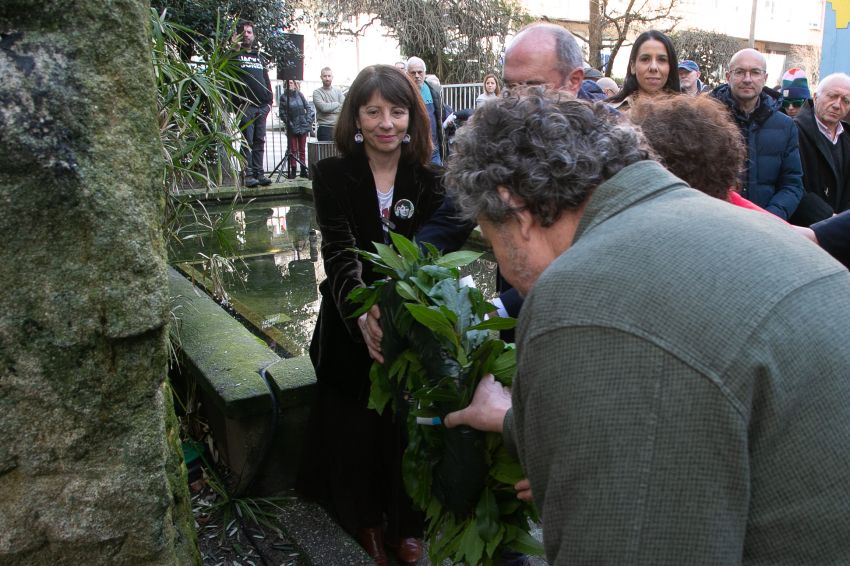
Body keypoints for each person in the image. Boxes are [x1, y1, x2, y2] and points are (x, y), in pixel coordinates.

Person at [442, 90, 850, 564]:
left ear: (515, 211)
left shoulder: (583, 294)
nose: (507, 272)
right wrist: (520, 422)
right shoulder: (751, 228)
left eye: (490, 241)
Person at [296, 64, 442, 566]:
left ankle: (408, 526)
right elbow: (339, 251)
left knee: (406, 426)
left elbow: (433, 258)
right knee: (355, 428)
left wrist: (394, 309)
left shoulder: (431, 182)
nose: (386, 122)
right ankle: (367, 523)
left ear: (412, 118)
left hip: (408, 322)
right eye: (373, 111)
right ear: (355, 117)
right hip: (348, 319)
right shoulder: (332, 175)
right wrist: (360, 314)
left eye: (397, 111)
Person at [710, 48, 804, 221]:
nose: (747, 79)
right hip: (718, 223)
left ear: (765, 78)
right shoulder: (706, 119)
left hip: (768, 226)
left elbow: (792, 184)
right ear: (728, 76)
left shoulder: (785, 126)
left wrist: (770, 218)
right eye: (740, 72)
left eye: (755, 72)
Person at [791, 72, 850, 225]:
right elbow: (791, 185)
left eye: (846, 100)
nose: (837, 105)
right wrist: (831, 219)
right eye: (832, 96)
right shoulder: (793, 131)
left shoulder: (847, 138)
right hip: (804, 230)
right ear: (816, 97)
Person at [232, 20, 273, 187]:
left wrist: (269, 103)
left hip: (262, 106)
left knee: (259, 141)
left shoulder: (259, 57)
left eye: (249, 32)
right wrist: (233, 50)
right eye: (244, 32)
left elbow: (266, 80)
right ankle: (247, 175)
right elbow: (226, 73)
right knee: (246, 142)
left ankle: (259, 173)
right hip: (245, 106)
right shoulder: (234, 55)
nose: (247, 35)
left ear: (253, 35)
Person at [606, 30, 680, 110]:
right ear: (633, 66)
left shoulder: (686, 116)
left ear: (671, 67)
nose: (653, 67)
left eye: (661, 60)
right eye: (645, 59)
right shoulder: (609, 113)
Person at [406, 56, 452, 165]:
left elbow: (439, 117)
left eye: (420, 72)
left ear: (425, 73)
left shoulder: (432, 91)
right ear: (407, 74)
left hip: (434, 150)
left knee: (436, 180)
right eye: (413, 73)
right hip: (414, 151)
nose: (417, 76)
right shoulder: (404, 94)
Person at [278, 79, 314, 179]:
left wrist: (308, 120)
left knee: (302, 149)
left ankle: (303, 170)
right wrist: (289, 124)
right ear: (285, 85)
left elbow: (308, 107)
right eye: (288, 83)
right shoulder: (283, 97)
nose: (290, 84)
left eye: (291, 83)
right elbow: (282, 113)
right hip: (292, 126)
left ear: (295, 84)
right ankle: (293, 170)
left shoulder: (300, 94)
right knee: (293, 150)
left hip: (303, 124)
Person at [312, 67, 345, 142]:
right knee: (325, 153)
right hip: (324, 129)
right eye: (325, 76)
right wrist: (337, 103)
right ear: (321, 77)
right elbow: (324, 108)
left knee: (339, 153)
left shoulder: (338, 92)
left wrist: (329, 108)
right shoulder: (317, 93)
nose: (327, 78)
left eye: (329, 76)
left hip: (338, 128)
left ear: (332, 77)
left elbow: (344, 108)